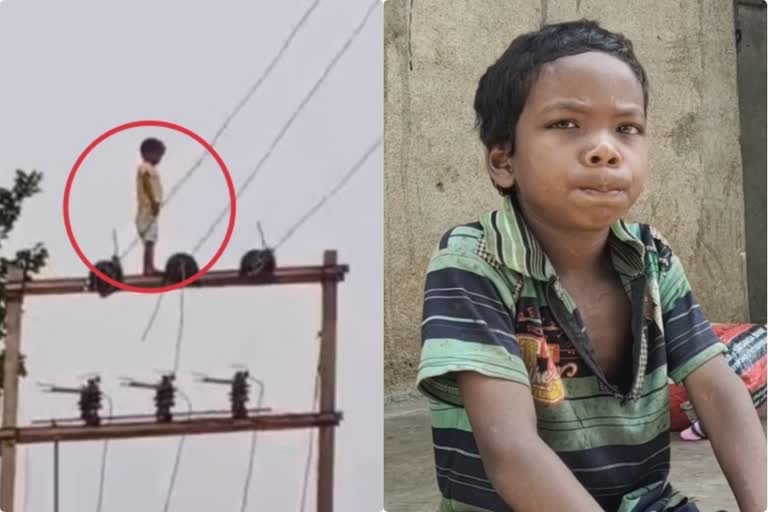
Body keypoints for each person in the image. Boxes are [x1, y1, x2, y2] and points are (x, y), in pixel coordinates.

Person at [415, 20, 766, 512]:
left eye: (627, 128)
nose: (605, 149)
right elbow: (510, 449)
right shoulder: (476, 260)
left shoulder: (651, 256)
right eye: (565, 124)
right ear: (503, 161)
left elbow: (720, 393)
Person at [135, 137, 165, 276]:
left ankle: (149, 266)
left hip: (151, 211)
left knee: (151, 239)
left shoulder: (151, 169)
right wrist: (153, 201)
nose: (160, 159)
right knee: (149, 240)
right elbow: (147, 183)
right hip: (147, 210)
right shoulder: (145, 168)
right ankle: (148, 268)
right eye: (158, 155)